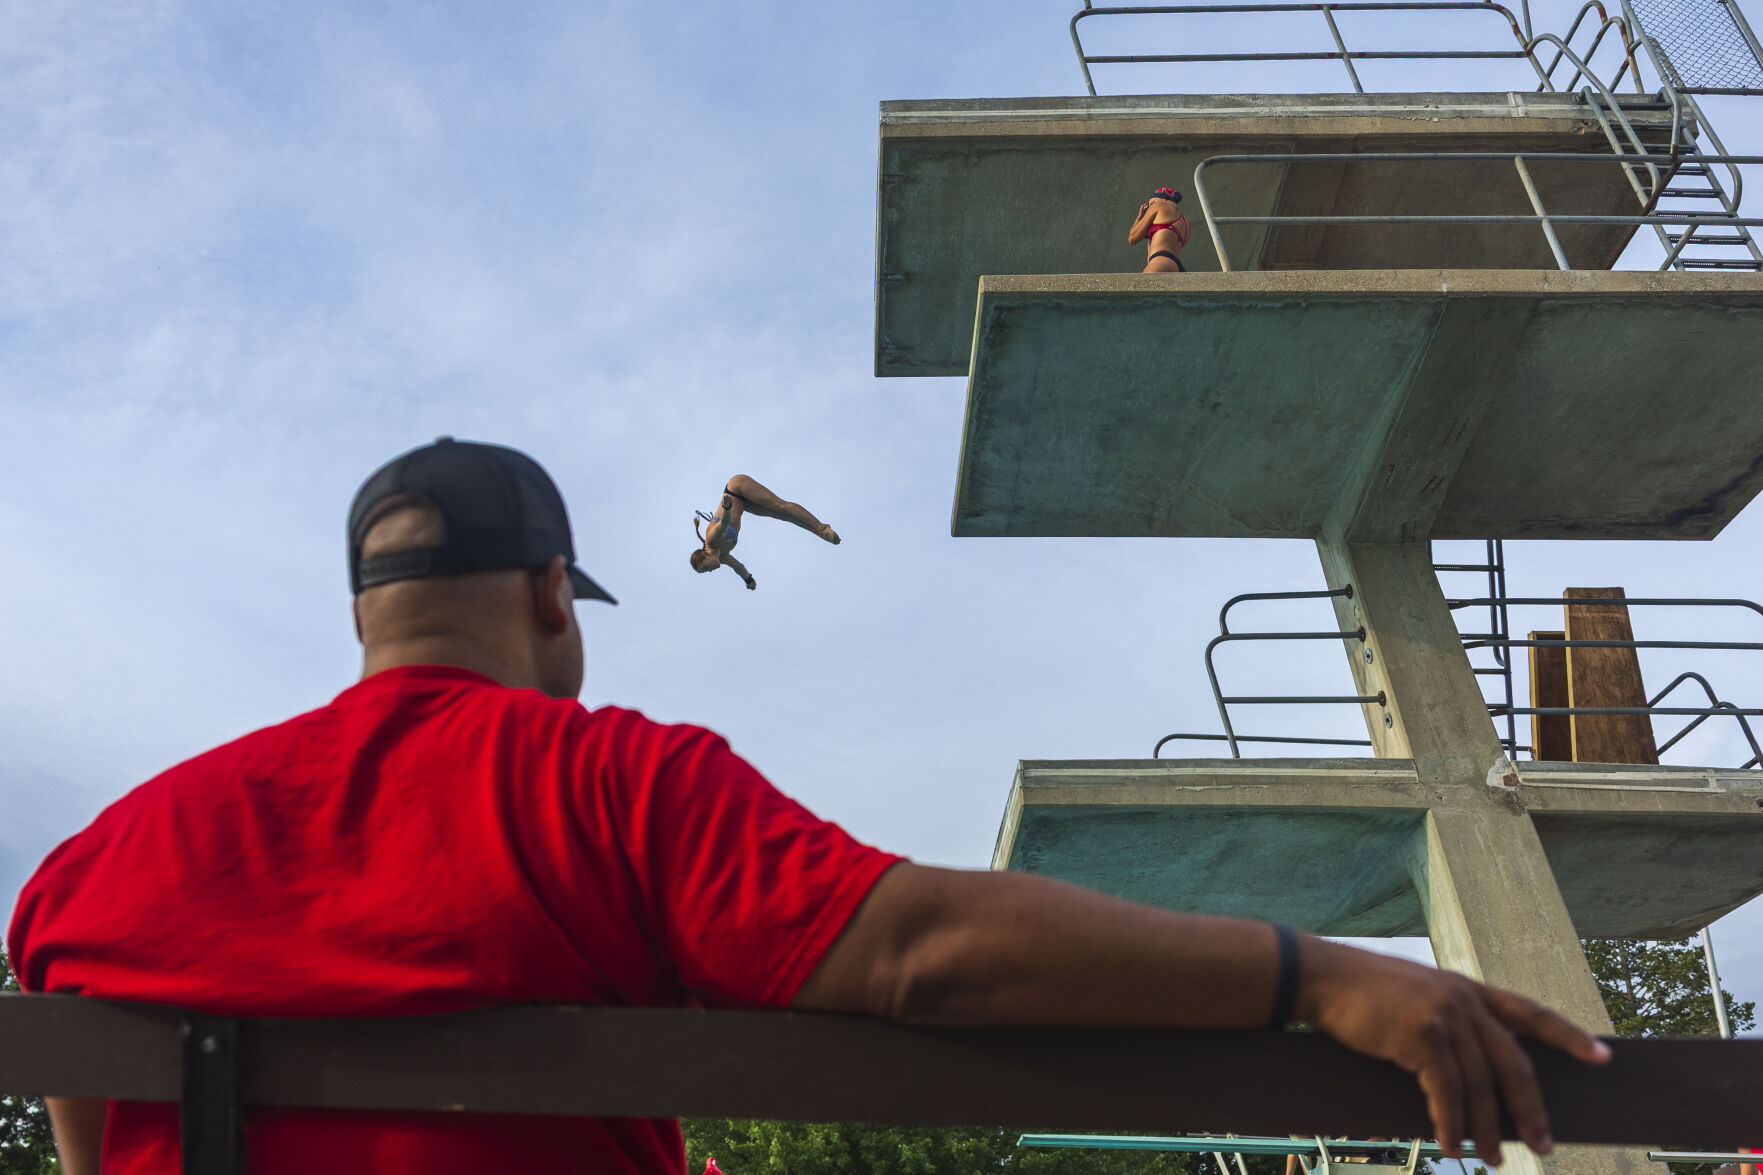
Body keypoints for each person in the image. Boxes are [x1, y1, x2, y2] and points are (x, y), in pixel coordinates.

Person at [8, 437, 1610, 1175]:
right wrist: (1319, 971)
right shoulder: (607, 777)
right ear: (554, 595)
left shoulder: (93, 863)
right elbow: (926, 952)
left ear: (361, 610)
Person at [691, 473, 839, 591]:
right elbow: (738, 567)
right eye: (706, 572)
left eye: (705, 567)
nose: (710, 571)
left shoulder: (712, 539)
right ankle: (819, 533)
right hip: (743, 504)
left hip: (736, 488)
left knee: (780, 507)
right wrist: (748, 579)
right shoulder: (722, 557)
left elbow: (723, 523)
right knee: (781, 516)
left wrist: (727, 507)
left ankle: (822, 528)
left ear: (704, 554)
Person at [1128, 186, 1191, 273]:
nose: (1149, 206)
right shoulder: (1186, 222)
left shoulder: (1159, 205)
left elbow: (1133, 238)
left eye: (1152, 202)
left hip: (1159, 262)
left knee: (1142, 285)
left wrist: (1139, 218)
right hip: (1176, 267)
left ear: (1163, 199)